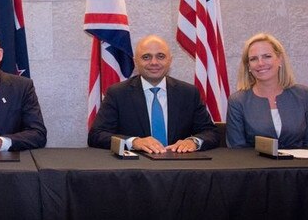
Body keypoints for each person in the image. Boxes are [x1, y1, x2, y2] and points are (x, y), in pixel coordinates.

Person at [88, 35, 219, 153]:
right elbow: (96, 135)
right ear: (136, 61)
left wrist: (193, 142)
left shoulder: (189, 93)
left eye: (160, 56)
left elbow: (210, 132)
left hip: (180, 168)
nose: (154, 62)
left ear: (170, 60)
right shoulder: (117, 93)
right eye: (146, 57)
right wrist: (134, 142)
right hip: (135, 170)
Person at [226, 33, 308, 149]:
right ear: (248, 66)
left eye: (267, 56)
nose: (261, 63)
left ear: (279, 59)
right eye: (254, 59)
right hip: (256, 166)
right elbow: (237, 150)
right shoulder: (237, 101)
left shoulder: (303, 95)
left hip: (299, 166)